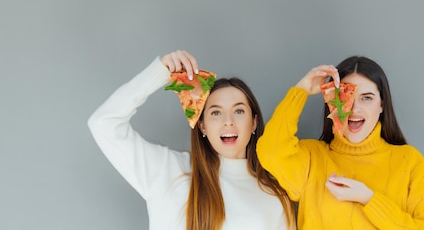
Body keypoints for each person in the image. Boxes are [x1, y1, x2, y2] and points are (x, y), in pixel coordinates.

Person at [88, 50, 295, 230]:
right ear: (202, 125)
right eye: (216, 113)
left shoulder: (275, 196)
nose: (228, 121)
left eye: (239, 111)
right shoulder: (167, 170)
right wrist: (160, 73)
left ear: (254, 123)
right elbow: (103, 123)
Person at [257, 56, 424, 229]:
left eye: (367, 98)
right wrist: (301, 91)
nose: (355, 108)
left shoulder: (409, 161)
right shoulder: (311, 158)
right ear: (331, 102)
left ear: (382, 105)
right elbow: (270, 151)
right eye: (346, 97)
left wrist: (369, 199)